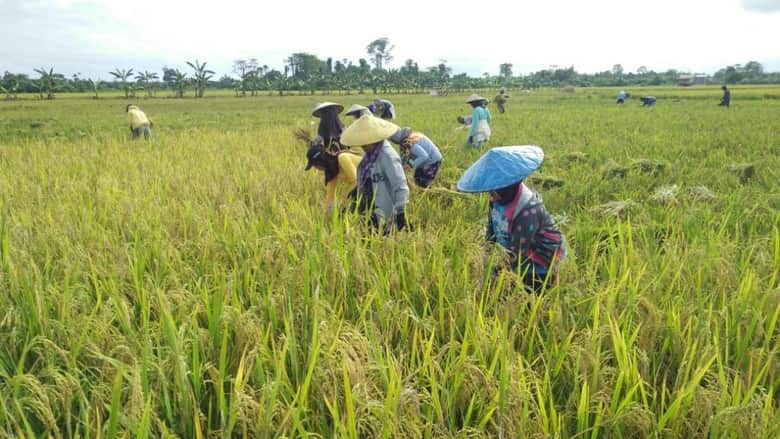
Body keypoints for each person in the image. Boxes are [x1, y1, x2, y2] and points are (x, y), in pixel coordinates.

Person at [457, 145, 566, 292]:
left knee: (530, 296)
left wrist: (491, 276)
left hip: (541, 259)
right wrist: (484, 256)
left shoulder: (528, 211)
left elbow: (515, 255)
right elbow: (491, 229)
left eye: (493, 190)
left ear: (507, 187)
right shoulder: (495, 199)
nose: (490, 195)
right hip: (517, 249)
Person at [340, 115, 409, 232]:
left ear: (375, 138)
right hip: (369, 203)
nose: (363, 145)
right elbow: (367, 178)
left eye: (366, 142)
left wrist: (401, 211)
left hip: (383, 207)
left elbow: (401, 186)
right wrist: (357, 189)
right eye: (362, 142)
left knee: (375, 236)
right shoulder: (369, 155)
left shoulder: (388, 157)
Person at [304, 143, 362, 214]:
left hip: (373, 177)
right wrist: (327, 215)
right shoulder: (331, 172)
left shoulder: (342, 158)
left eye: (315, 165)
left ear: (321, 161)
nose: (316, 168)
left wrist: (344, 203)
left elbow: (356, 181)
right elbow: (330, 197)